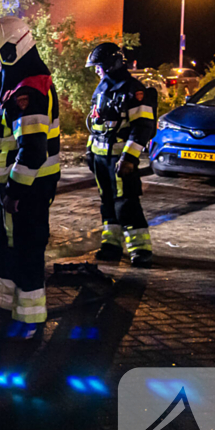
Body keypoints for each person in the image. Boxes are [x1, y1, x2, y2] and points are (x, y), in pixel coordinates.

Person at [0, 17, 60, 339]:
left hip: (28, 189)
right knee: (8, 248)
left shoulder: (28, 91)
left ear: (13, 49)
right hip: (15, 188)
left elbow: (33, 151)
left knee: (26, 251)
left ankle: (29, 321)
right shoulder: (16, 83)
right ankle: (8, 308)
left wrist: (14, 190)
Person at [84, 42, 156, 268]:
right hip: (100, 157)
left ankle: (140, 250)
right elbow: (96, 123)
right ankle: (111, 245)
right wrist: (89, 150)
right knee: (107, 202)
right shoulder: (102, 88)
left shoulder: (133, 90)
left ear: (110, 64)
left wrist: (130, 158)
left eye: (98, 66)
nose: (96, 71)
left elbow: (143, 127)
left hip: (120, 158)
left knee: (126, 203)